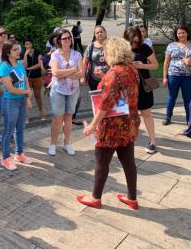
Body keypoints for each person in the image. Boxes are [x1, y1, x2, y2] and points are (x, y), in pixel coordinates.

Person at [77, 37, 141, 210]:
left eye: (106, 50)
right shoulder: (131, 69)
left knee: (101, 162)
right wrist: (104, 77)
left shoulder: (114, 73)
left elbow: (105, 104)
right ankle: (132, 199)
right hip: (129, 123)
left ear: (113, 52)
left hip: (112, 126)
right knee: (128, 162)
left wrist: (92, 125)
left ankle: (95, 198)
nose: (104, 53)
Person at [0, 40, 33, 170]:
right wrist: (26, 92)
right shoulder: (4, 67)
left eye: (18, 49)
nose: (18, 51)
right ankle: (5, 158)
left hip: (21, 101)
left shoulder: (19, 64)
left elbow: (25, 80)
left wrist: (28, 97)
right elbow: (10, 88)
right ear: (8, 52)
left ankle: (19, 154)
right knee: (8, 130)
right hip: (10, 101)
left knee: (20, 128)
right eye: (15, 49)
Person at [124, 27, 159, 154]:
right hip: (127, 86)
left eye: (137, 39)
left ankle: (153, 141)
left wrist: (142, 65)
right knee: (128, 115)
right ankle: (128, 140)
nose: (135, 42)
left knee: (146, 114)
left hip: (144, 86)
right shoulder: (123, 48)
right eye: (133, 40)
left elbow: (155, 65)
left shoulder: (145, 48)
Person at [48, 29, 83, 156]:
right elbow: (55, 73)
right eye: (64, 38)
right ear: (59, 41)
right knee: (57, 117)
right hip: (58, 90)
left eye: (69, 38)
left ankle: (67, 143)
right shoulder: (55, 54)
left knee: (68, 117)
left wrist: (67, 73)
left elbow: (81, 73)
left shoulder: (77, 54)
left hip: (73, 90)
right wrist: (73, 70)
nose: (67, 40)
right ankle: (52, 144)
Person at [162, 25, 191, 125]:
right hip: (173, 75)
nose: (181, 35)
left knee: (188, 99)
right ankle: (168, 117)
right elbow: (166, 63)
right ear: (176, 34)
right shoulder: (171, 46)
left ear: (187, 33)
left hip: (188, 76)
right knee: (171, 97)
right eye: (179, 33)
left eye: (183, 32)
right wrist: (165, 77)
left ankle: (189, 119)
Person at [22, 38, 46, 121]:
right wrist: (25, 55)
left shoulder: (37, 52)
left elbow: (39, 64)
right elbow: (24, 66)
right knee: (28, 96)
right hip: (27, 78)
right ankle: (26, 116)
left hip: (37, 76)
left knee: (38, 96)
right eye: (26, 44)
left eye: (29, 44)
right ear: (24, 45)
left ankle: (41, 112)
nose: (28, 46)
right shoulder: (22, 53)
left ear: (32, 44)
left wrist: (30, 68)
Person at [81, 25, 109, 90]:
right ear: (95, 35)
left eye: (101, 32)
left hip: (109, 78)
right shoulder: (91, 46)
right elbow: (84, 62)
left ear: (105, 33)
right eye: (97, 33)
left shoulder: (111, 45)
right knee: (96, 98)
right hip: (94, 79)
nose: (99, 34)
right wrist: (83, 77)